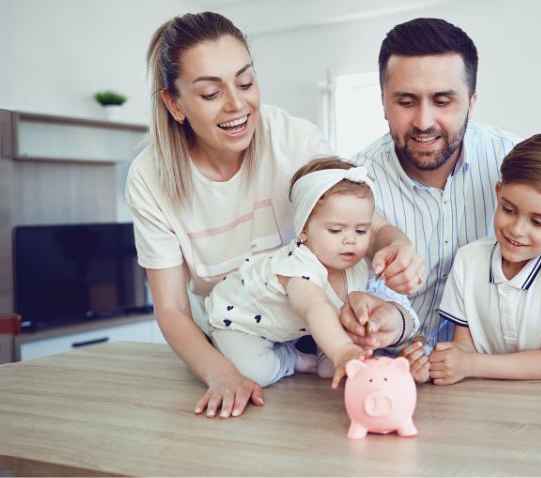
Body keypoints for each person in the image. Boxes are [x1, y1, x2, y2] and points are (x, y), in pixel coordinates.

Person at [126, 12, 424, 420]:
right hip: (235, 335)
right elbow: (172, 307)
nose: (237, 104)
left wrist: (396, 245)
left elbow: (364, 224)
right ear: (174, 104)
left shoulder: (293, 139)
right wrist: (223, 375)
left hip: (309, 328)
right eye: (211, 94)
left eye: (246, 82)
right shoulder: (150, 178)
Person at [346, 18, 541, 384]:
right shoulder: (354, 182)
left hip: (501, 380)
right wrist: (392, 336)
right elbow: (358, 291)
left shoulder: (512, 159)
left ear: (471, 102)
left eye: (443, 101)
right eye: (406, 101)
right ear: (384, 102)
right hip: (392, 380)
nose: (424, 121)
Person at [204, 158, 416, 388]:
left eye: (362, 230)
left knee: (329, 369)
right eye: (336, 230)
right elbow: (314, 307)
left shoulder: (358, 268)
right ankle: (290, 359)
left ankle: (319, 355)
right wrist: (343, 350)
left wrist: (359, 341)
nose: (350, 240)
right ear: (303, 229)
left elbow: (339, 313)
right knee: (256, 373)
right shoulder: (298, 266)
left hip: (292, 327)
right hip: (237, 322)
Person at [425, 133, 541, 384]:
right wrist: (444, 362)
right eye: (508, 210)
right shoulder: (468, 259)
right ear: (498, 192)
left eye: (537, 222)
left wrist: (470, 364)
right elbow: (464, 345)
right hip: (481, 397)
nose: (516, 229)